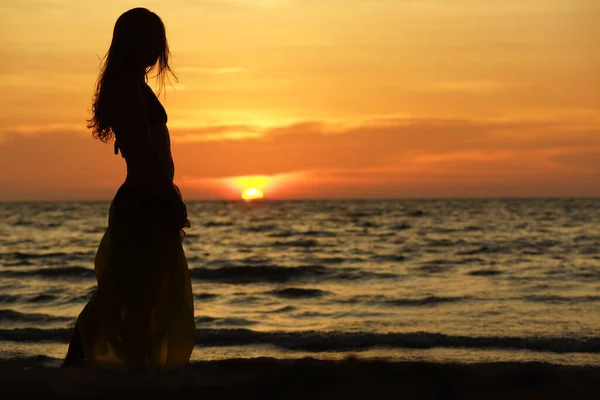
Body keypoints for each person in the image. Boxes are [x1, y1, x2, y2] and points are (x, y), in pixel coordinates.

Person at [63, 7, 196, 367]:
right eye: (149, 40)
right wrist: (169, 197)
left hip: (147, 200)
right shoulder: (125, 87)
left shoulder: (133, 84)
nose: (156, 49)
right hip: (143, 203)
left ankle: (113, 372)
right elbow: (141, 150)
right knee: (125, 299)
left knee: (135, 297)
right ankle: (80, 371)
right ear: (133, 42)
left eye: (158, 41)